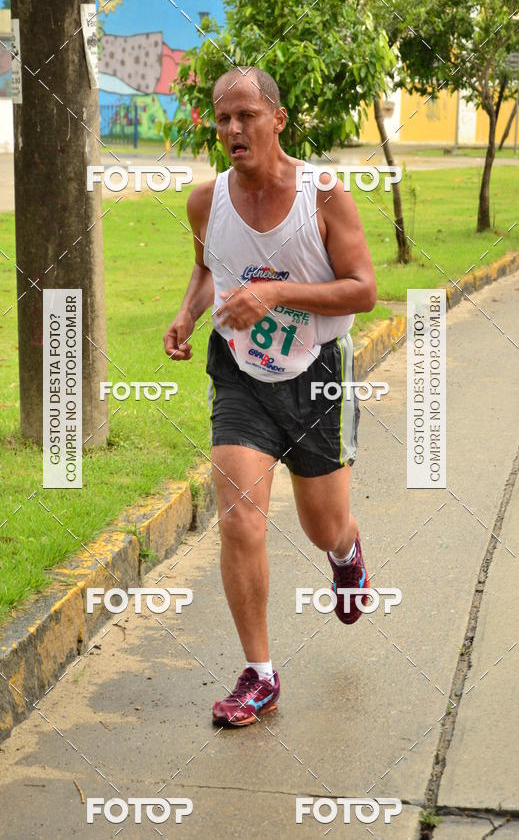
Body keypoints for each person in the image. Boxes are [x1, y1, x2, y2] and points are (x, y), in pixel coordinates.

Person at [163, 66, 377, 727]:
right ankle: (259, 675)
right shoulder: (206, 202)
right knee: (238, 517)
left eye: (246, 115)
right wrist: (188, 313)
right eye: (223, 118)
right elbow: (209, 268)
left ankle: (345, 554)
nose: (233, 128)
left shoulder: (324, 197)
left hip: (317, 376)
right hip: (241, 375)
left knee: (323, 525)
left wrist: (276, 292)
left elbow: (364, 289)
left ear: (277, 120)